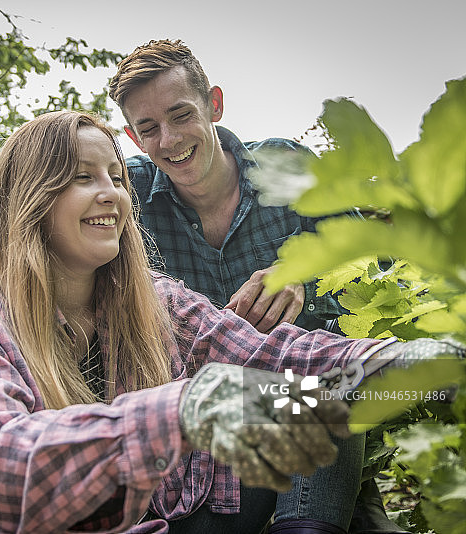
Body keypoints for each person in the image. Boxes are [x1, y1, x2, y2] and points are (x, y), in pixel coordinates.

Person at [0, 110, 459, 533]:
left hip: (189, 512)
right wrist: (185, 408)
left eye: (117, 177)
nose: (112, 194)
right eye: (81, 178)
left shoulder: (153, 301)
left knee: (315, 403)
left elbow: (281, 359)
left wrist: (421, 363)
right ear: (29, 198)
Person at [107, 39, 402, 533]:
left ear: (214, 104)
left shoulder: (289, 167)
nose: (170, 139)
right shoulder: (129, 196)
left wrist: (307, 281)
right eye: (149, 128)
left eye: (181, 115)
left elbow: (378, 269)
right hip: (212, 425)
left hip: (318, 403)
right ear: (135, 139)